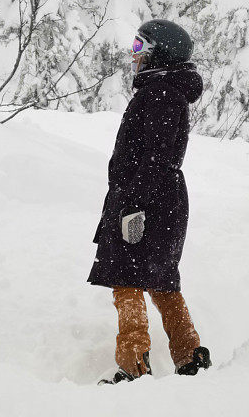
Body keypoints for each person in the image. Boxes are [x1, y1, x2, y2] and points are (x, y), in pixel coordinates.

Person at [88, 19, 212, 384]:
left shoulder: (158, 95)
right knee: (162, 282)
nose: (134, 54)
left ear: (160, 53)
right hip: (164, 200)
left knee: (127, 279)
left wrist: (132, 206)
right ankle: (189, 356)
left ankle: (134, 366)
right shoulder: (167, 93)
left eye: (141, 47)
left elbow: (155, 158)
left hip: (147, 201)